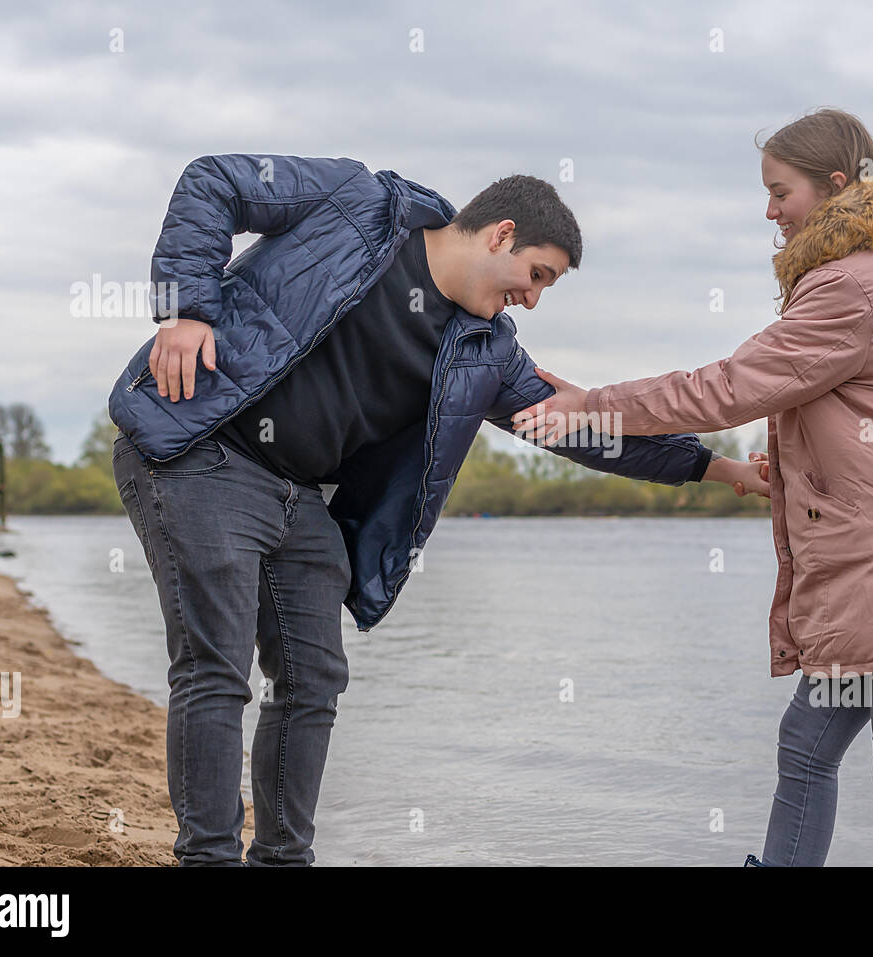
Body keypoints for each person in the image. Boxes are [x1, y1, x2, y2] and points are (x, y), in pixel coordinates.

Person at [108, 153, 769, 866]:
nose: (535, 299)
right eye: (538, 275)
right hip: (201, 443)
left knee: (312, 677)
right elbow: (215, 181)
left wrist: (718, 466)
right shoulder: (358, 205)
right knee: (217, 663)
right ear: (500, 234)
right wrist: (184, 309)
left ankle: (282, 859)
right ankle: (207, 856)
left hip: (296, 495)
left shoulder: (483, 351)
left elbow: (580, 429)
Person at [511, 109, 873, 866]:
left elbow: (727, 387)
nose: (769, 209)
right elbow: (851, 418)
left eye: (781, 192)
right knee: (807, 748)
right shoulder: (864, 275)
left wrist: (593, 403)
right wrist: (775, 471)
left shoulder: (855, 285)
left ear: (836, 187)